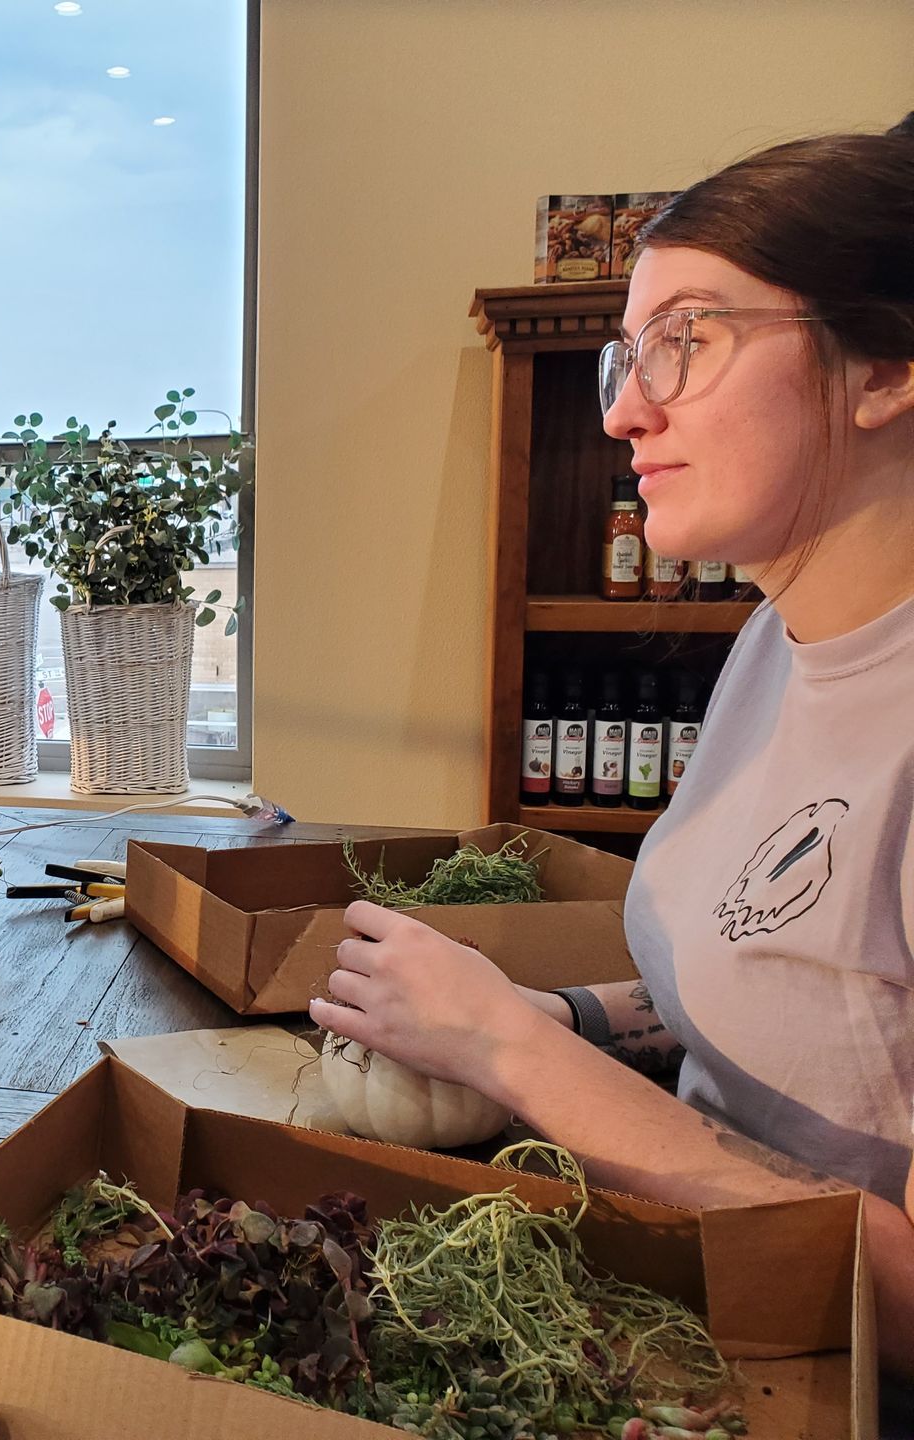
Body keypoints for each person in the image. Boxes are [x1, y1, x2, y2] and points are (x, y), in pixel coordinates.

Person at [312, 115, 914, 1386]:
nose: (627, 410)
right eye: (623, 358)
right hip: (680, 1324)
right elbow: (772, 987)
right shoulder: (768, 647)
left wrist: (511, 1053)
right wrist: (555, 1013)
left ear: (883, 366)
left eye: (687, 340)